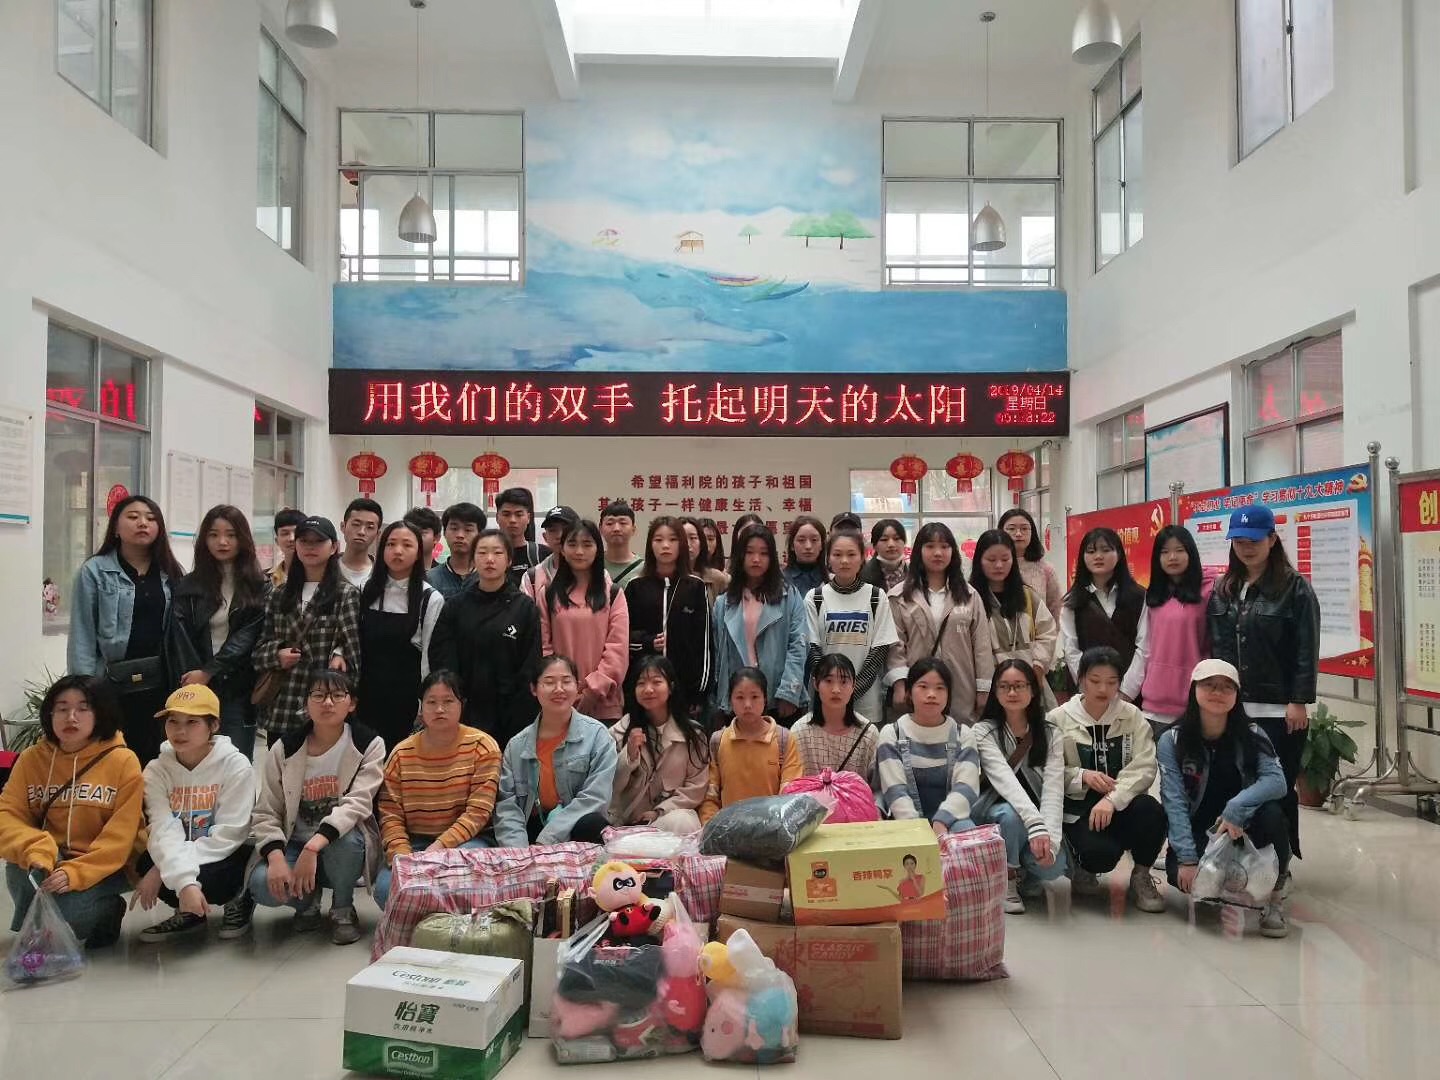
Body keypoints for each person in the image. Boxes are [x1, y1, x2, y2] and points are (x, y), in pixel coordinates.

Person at [1207, 505, 1320, 861]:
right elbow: (1217, 649)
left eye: (1254, 540)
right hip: (1233, 706)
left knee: (1277, 788)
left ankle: (1281, 861)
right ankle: (1241, 856)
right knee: (1235, 782)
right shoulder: (1224, 588)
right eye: (1239, 541)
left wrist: (1298, 700)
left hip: (1279, 709)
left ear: (1272, 539)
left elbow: (1306, 648)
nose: (1247, 548)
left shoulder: (1295, 589)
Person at [241, 670, 385, 944]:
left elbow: (358, 803)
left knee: (347, 842)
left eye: (337, 695)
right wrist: (276, 858)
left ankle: (342, 907)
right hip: (294, 842)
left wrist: (314, 846)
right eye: (318, 695)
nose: (327, 702)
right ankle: (307, 901)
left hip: (340, 843)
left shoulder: (368, 743)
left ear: (352, 703)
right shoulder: (285, 748)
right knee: (261, 885)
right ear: (306, 703)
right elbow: (266, 811)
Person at [0, 675, 143, 948]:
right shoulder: (31, 759)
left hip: (106, 864)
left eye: (83, 708)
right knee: (19, 868)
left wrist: (76, 872)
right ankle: (36, 933)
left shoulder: (122, 760)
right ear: (50, 714)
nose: (71, 717)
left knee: (70, 910)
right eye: (62, 708)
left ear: (100, 713)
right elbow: (7, 814)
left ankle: (108, 912)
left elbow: (122, 837)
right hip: (52, 855)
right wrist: (35, 847)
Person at [1158, 659, 1291, 937]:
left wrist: (1236, 808)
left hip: (1245, 827)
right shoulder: (1172, 740)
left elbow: (1277, 781)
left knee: (1274, 814)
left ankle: (1274, 894)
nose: (1218, 692)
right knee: (1184, 877)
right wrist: (1187, 859)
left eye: (1226, 687)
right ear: (1194, 689)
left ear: (1236, 695)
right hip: (1202, 831)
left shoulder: (1252, 735)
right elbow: (1174, 800)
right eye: (1209, 685)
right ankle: (1224, 884)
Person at [68, 494, 185, 767]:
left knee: (156, 759)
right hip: (110, 683)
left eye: (151, 518)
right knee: (111, 757)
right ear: (116, 528)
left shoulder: (171, 572)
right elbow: (82, 635)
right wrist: (84, 690)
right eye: (133, 517)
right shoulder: (95, 571)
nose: (142, 523)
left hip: (160, 684)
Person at [132, 685, 256, 942]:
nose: (180, 731)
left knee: (213, 873)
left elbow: (229, 835)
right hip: (184, 851)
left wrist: (167, 870)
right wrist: (180, 878)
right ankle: (190, 910)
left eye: (192, 722)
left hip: (226, 853)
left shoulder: (236, 765)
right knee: (146, 862)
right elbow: (162, 827)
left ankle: (239, 899)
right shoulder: (156, 770)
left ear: (214, 726)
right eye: (173, 721)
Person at [1053, 646, 1166, 913]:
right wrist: (1082, 776)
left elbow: (1144, 766)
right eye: (1095, 681)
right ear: (1081, 679)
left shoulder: (1132, 716)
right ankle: (1083, 863)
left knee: (1152, 811)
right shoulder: (1059, 718)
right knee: (1099, 856)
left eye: (1112, 682)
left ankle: (1141, 874)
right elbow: (1049, 771)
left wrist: (1112, 800)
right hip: (1080, 810)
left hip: (1121, 804)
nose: (1103, 689)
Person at [375, 671, 502, 908]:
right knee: (385, 890)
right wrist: (404, 858)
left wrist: (438, 848)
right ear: (421, 707)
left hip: (469, 841)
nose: (439, 709)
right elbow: (391, 816)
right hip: (416, 843)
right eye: (431, 702)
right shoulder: (401, 753)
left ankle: (438, 916)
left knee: (459, 881)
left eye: (448, 701)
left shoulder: (483, 746)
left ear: (462, 704)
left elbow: (478, 813)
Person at [165, 505, 270, 761]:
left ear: (242, 539)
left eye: (231, 535)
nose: (222, 542)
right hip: (195, 684)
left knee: (236, 759)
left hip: (238, 686)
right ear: (204, 540)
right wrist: (195, 677)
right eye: (213, 535)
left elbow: (248, 636)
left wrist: (209, 671)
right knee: (195, 757)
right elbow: (180, 635)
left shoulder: (259, 586)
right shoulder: (189, 585)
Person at [429, 529, 542, 749]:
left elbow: (531, 664)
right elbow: (441, 657)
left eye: (497, 553)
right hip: (465, 708)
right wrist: (454, 699)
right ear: (473, 560)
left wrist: (520, 709)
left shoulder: (525, 607)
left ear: (509, 560)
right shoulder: (455, 606)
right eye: (482, 552)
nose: (490, 559)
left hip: (511, 712)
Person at [253, 516, 363, 741]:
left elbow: (353, 653)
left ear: (334, 547)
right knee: (281, 761)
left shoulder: (345, 594)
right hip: (283, 704)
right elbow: (258, 651)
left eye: (318, 541)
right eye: (304, 541)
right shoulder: (278, 594)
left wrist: (340, 654)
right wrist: (277, 655)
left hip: (325, 704)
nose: (310, 547)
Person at [972, 661, 1067, 914]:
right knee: (1010, 816)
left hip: (1032, 821)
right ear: (995, 692)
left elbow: (1054, 790)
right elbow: (1006, 781)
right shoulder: (983, 732)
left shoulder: (1051, 734)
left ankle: (1027, 871)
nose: (1012, 692)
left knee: (1054, 866)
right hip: (993, 815)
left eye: (1019, 686)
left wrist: (1050, 840)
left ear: (1033, 690)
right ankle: (1008, 877)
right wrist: (1036, 825)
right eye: (1004, 686)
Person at [492, 656, 619, 846]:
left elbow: (595, 798)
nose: (559, 689)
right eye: (549, 682)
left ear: (577, 687)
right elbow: (508, 807)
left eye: (566, 681)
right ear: (534, 689)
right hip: (529, 831)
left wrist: (546, 842)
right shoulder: (516, 746)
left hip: (574, 828)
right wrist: (519, 852)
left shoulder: (597, 736)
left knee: (591, 823)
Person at [885, 522, 994, 725]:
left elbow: (982, 646)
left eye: (944, 546)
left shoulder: (969, 595)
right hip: (917, 686)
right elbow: (895, 646)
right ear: (919, 551)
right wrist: (900, 685)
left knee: (960, 735)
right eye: (930, 546)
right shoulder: (899, 596)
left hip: (962, 685)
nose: (938, 553)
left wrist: (984, 690)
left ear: (953, 551)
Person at [357, 521, 444, 753]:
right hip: (366, 691)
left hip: (406, 695)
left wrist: (426, 701)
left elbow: (428, 656)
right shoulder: (365, 589)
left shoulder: (430, 598)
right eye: (391, 544)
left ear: (418, 552)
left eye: (407, 545)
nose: (398, 551)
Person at [712, 525, 808, 725]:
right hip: (739, 699)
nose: (756, 559)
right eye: (749, 552)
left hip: (778, 698)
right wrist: (722, 698)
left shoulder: (788, 596)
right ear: (740, 556)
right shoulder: (724, 602)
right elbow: (719, 656)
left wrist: (788, 692)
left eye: (764, 553)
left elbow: (798, 646)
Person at [540, 519, 631, 724]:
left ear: (598, 549)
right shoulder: (548, 594)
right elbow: (543, 647)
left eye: (587, 544)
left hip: (605, 704)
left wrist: (593, 689)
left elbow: (618, 648)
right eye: (572, 544)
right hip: (559, 700)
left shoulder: (613, 593)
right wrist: (562, 687)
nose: (579, 551)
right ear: (562, 550)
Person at [876, 657, 980, 835]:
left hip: (950, 821)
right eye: (923, 686)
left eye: (940, 688)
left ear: (948, 694)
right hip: (905, 823)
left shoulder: (963, 734)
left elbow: (966, 787)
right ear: (909, 692)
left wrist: (942, 821)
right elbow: (895, 791)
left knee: (967, 833)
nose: (931, 694)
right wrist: (919, 832)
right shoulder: (892, 733)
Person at [805, 528, 900, 722]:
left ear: (862, 558)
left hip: (867, 704)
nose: (844, 561)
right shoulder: (815, 597)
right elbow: (813, 650)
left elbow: (879, 651)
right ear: (828, 558)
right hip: (825, 702)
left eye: (851, 554)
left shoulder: (876, 596)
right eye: (837, 555)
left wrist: (849, 692)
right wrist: (832, 689)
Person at [609, 655, 710, 834]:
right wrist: (629, 756)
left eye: (656, 682)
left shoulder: (693, 735)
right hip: (626, 824)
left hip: (666, 820)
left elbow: (696, 786)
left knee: (683, 822)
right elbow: (609, 785)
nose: (648, 690)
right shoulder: (619, 732)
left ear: (670, 687)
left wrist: (659, 811)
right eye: (641, 683)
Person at [625, 516, 711, 723]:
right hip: (644, 689)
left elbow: (705, 644)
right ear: (650, 545)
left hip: (685, 690)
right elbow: (622, 636)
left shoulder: (695, 587)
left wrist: (699, 692)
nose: (665, 545)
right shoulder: (636, 586)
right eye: (658, 540)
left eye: (673, 539)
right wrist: (647, 642)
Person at [699, 668, 803, 823]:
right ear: (730, 700)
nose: (747, 705)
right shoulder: (718, 740)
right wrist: (711, 826)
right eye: (740, 697)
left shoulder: (784, 739)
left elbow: (791, 794)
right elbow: (710, 796)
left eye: (754, 697)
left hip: (772, 828)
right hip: (729, 829)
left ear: (765, 699)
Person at [1060, 527, 1148, 704]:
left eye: (1106, 550)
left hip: (1130, 694)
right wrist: (1090, 687)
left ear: (1119, 554)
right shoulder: (1072, 601)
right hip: (1087, 695)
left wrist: (1126, 691)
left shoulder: (1139, 596)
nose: (1098, 556)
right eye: (1091, 551)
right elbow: (1071, 649)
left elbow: (1144, 646)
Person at [969, 530, 1058, 705]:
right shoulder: (970, 599)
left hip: (1029, 682)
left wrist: (1038, 666)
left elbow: (1047, 631)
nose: (999, 565)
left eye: (1005, 559)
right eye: (991, 560)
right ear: (979, 561)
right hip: (990, 687)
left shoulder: (1027, 596)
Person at [1141, 525, 1213, 738]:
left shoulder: (1210, 591)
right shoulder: (1153, 596)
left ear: (1191, 553)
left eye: (1179, 550)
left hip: (1193, 699)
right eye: (1165, 552)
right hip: (1154, 700)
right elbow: (1145, 646)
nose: (1172, 557)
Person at [791, 653, 879, 783]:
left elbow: (877, 787)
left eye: (844, 682)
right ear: (816, 684)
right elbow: (793, 784)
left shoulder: (869, 734)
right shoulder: (799, 732)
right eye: (828, 681)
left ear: (853, 685)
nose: (836, 690)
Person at [999, 508, 1062, 620]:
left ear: (1032, 532)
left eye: (1024, 528)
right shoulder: (993, 567)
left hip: (1038, 630)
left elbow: (1056, 610)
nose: (1018, 534)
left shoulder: (1046, 569)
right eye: (1011, 529)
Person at [427, 502, 487, 600]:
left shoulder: (489, 577)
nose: (460, 535)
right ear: (444, 533)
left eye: (468, 530)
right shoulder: (430, 579)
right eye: (454, 528)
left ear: (480, 535)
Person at [522, 504, 579, 600]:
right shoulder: (532, 578)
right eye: (553, 530)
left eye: (566, 529)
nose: (559, 535)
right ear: (545, 537)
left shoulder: (596, 574)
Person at [496, 487, 548, 586]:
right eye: (506, 514)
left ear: (528, 518)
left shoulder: (543, 554)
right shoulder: (487, 555)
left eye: (519, 515)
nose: (512, 520)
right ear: (497, 517)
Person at [681, 515, 730, 601]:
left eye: (693, 538)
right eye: (683, 538)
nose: (688, 544)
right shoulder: (664, 575)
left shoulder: (720, 579)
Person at [338, 497, 383, 589]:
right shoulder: (325, 568)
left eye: (370, 527)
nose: (361, 532)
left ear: (377, 534)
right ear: (343, 527)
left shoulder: (383, 572)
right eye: (356, 524)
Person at [600, 501, 645, 590]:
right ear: (600, 529)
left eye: (623, 523)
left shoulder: (644, 569)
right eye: (610, 523)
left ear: (633, 529)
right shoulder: (592, 564)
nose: (616, 528)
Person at [860, 518, 908, 592]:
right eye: (884, 539)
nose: (891, 544)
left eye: (896, 538)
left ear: (904, 542)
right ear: (874, 545)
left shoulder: (916, 574)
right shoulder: (863, 577)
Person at [782, 516, 827, 595]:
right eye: (801, 540)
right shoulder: (780, 579)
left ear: (822, 545)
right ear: (792, 545)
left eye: (814, 540)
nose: (808, 546)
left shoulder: (832, 579)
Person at [269, 507, 306, 589]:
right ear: (277, 541)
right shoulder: (266, 580)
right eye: (285, 533)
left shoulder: (318, 577)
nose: (291, 538)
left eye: (297, 532)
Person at [403, 505, 443, 571]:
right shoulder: (395, 572)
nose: (414, 537)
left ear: (436, 538)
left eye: (421, 533)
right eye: (410, 532)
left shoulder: (443, 574)